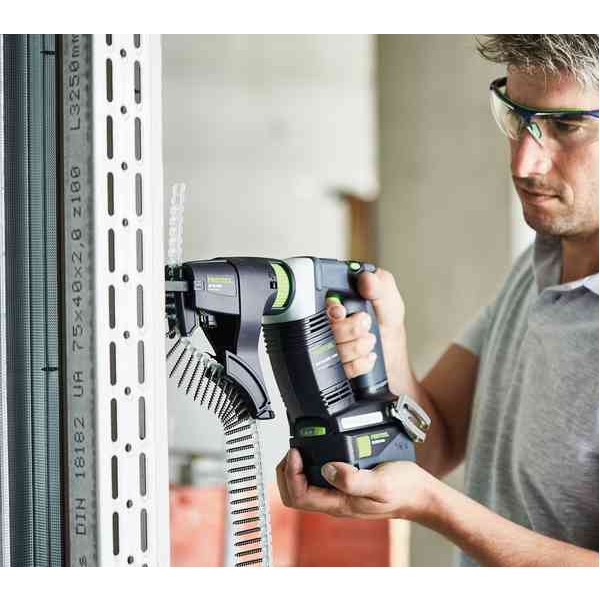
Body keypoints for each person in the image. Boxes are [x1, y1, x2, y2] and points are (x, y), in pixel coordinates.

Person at [276, 34, 599, 567]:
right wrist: (389, 338)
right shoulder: (539, 263)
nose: (524, 162)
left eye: (566, 126)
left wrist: (433, 506)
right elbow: (435, 442)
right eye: (518, 117)